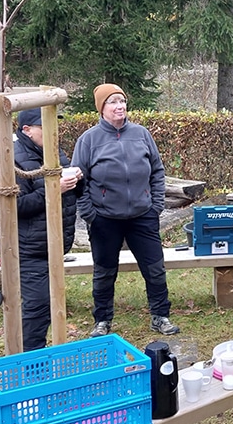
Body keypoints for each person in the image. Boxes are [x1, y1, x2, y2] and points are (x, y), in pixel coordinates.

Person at [74, 83, 180, 337]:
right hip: (104, 219)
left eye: (122, 100)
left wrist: (155, 206)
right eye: (112, 102)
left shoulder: (141, 134)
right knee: (104, 272)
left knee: (155, 269)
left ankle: (160, 316)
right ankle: (102, 321)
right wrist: (90, 215)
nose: (119, 106)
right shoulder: (89, 140)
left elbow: (157, 170)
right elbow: (78, 180)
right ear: (101, 108)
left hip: (143, 216)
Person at [13, 108, 84, 351]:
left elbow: (68, 195)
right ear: (27, 130)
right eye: (45, 127)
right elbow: (16, 206)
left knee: (50, 304)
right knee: (37, 305)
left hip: (52, 244)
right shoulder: (13, 158)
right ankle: (32, 365)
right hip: (27, 246)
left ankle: (43, 358)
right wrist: (55, 190)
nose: (52, 132)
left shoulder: (54, 152)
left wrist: (77, 182)